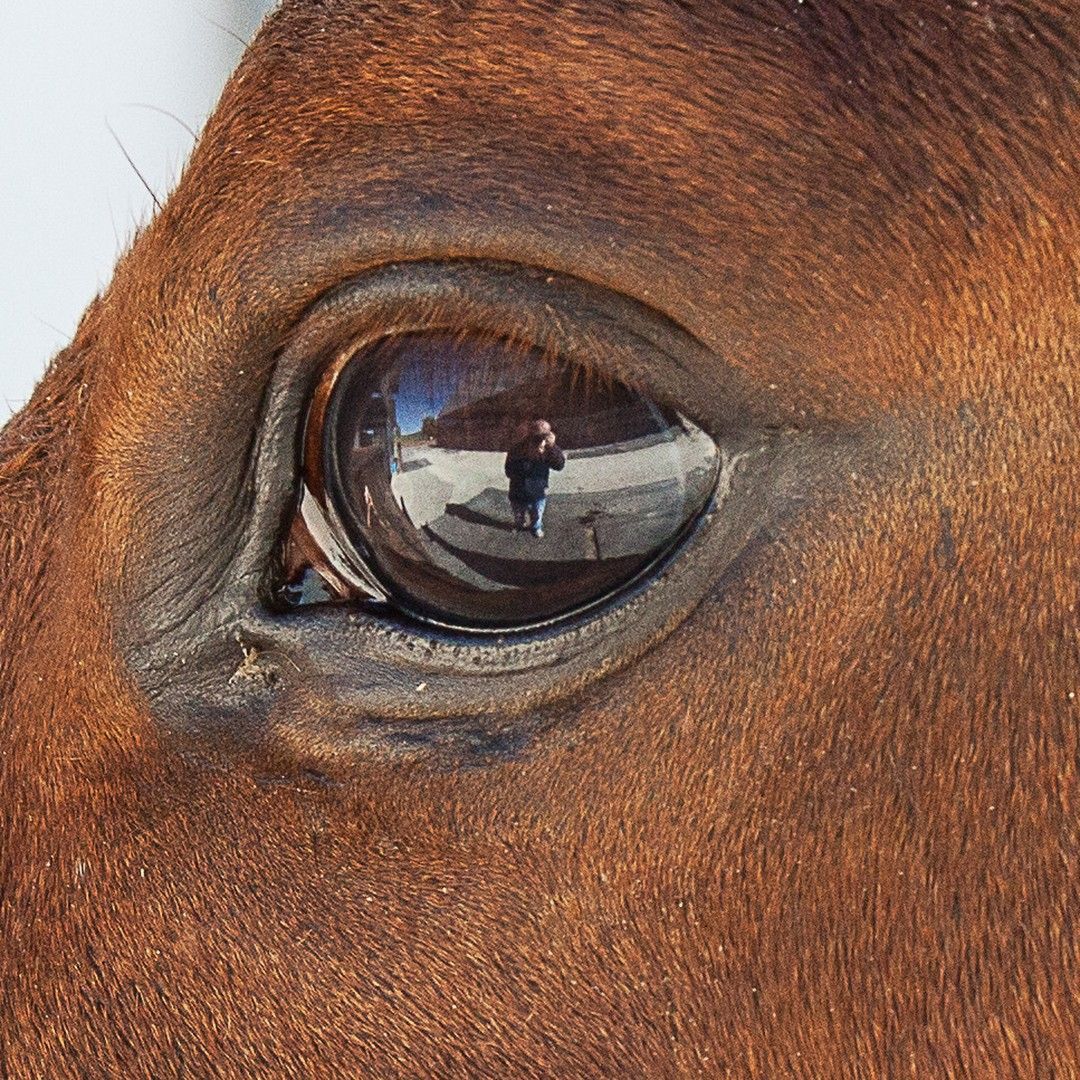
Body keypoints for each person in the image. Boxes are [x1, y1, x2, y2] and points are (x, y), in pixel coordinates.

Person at [504, 419, 565, 538]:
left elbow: (559, 465)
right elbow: (509, 471)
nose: (538, 441)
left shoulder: (548, 449)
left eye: (543, 436)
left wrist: (552, 448)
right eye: (536, 436)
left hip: (537, 492)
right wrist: (526, 461)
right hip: (518, 491)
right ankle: (520, 524)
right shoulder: (517, 449)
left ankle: (536, 527)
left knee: (537, 515)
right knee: (518, 513)